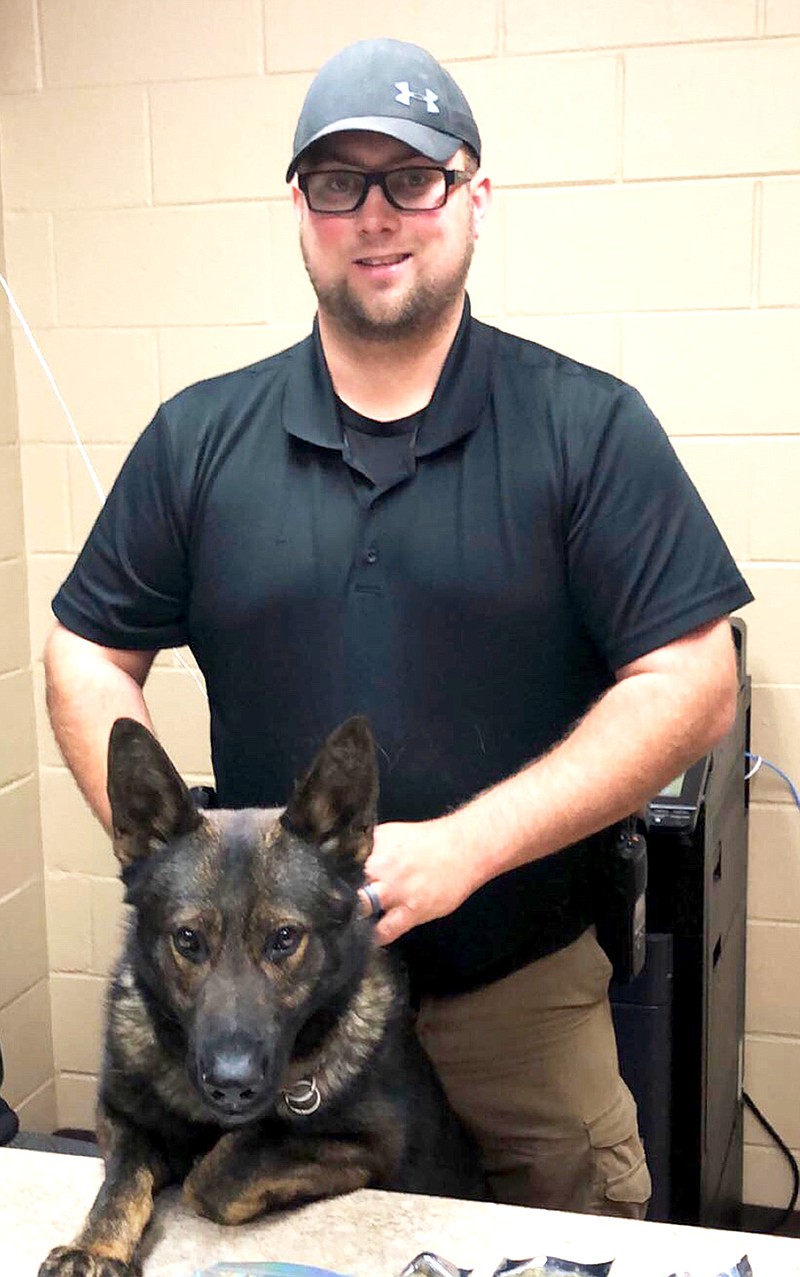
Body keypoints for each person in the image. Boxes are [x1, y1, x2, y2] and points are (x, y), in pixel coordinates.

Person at [45, 37, 752, 1219]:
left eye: (411, 177)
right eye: (338, 182)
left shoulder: (585, 427)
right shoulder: (197, 437)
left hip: (517, 1005)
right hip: (273, 1018)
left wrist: (468, 845)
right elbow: (83, 649)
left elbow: (690, 679)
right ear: (299, 209)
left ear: (473, 196)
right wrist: (164, 857)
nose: (375, 213)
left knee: (567, 1232)